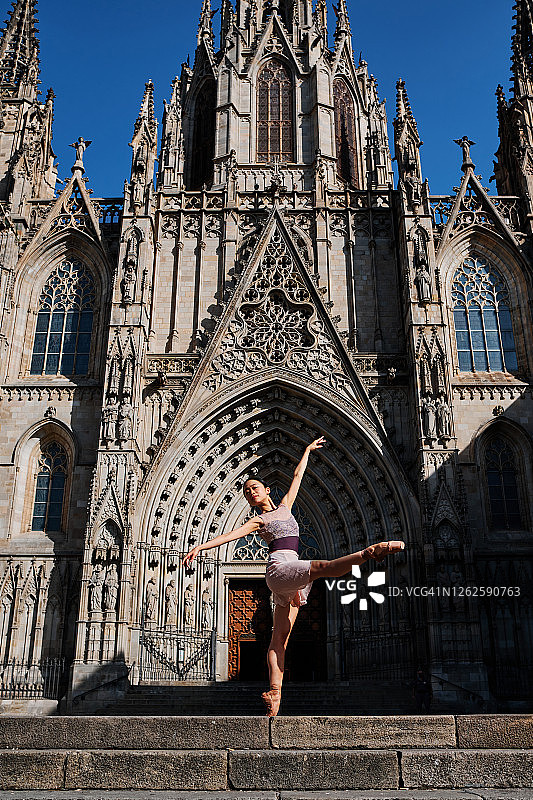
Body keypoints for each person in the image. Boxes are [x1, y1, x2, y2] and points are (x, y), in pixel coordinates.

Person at [181, 437, 406, 717]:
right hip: (280, 569)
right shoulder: (257, 521)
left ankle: (275, 693)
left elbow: (298, 476)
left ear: (266, 490)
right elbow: (231, 535)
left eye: (254, 488)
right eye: (246, 492)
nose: (251, 493)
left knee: (280, 640)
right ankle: (370, 552)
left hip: (292, 577)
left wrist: (307, 450)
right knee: (323, 567)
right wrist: (201, 546)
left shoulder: (285, 507)